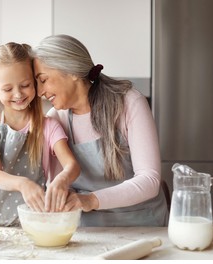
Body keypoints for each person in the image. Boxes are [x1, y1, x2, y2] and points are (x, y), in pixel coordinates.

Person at [32, 34, 169, 226]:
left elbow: (150, 180)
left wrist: (90, 200)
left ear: (71, 71)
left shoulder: (129, 103)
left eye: (43, 80)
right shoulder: (56, 119)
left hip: (142, 226)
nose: (39, 92)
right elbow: (61, 185)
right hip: (88, 232)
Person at [0, 42, 80, 226]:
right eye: (8, 89)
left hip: (32, 222)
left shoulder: (49, 126)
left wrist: (62, 179)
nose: (18, 94)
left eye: (25, 85)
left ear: (35, 81)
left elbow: (72, 165)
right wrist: (24, 184)